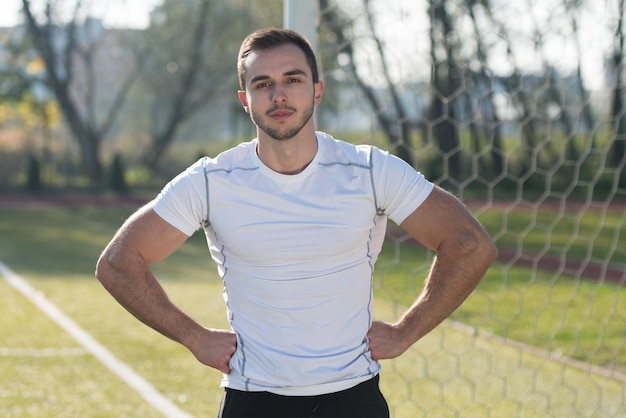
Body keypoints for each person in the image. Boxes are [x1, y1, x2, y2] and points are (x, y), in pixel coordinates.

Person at [95, 27, 498, 418]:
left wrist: (406, 331)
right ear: (244, 99)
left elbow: (469, 245)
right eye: (262, 84)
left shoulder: (371, 170)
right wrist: (193, 336)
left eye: (293, 79)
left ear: (317, 91)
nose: (279, 94)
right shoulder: (211, 181)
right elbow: (118, 263)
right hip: (254, 400)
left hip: (353, 399)